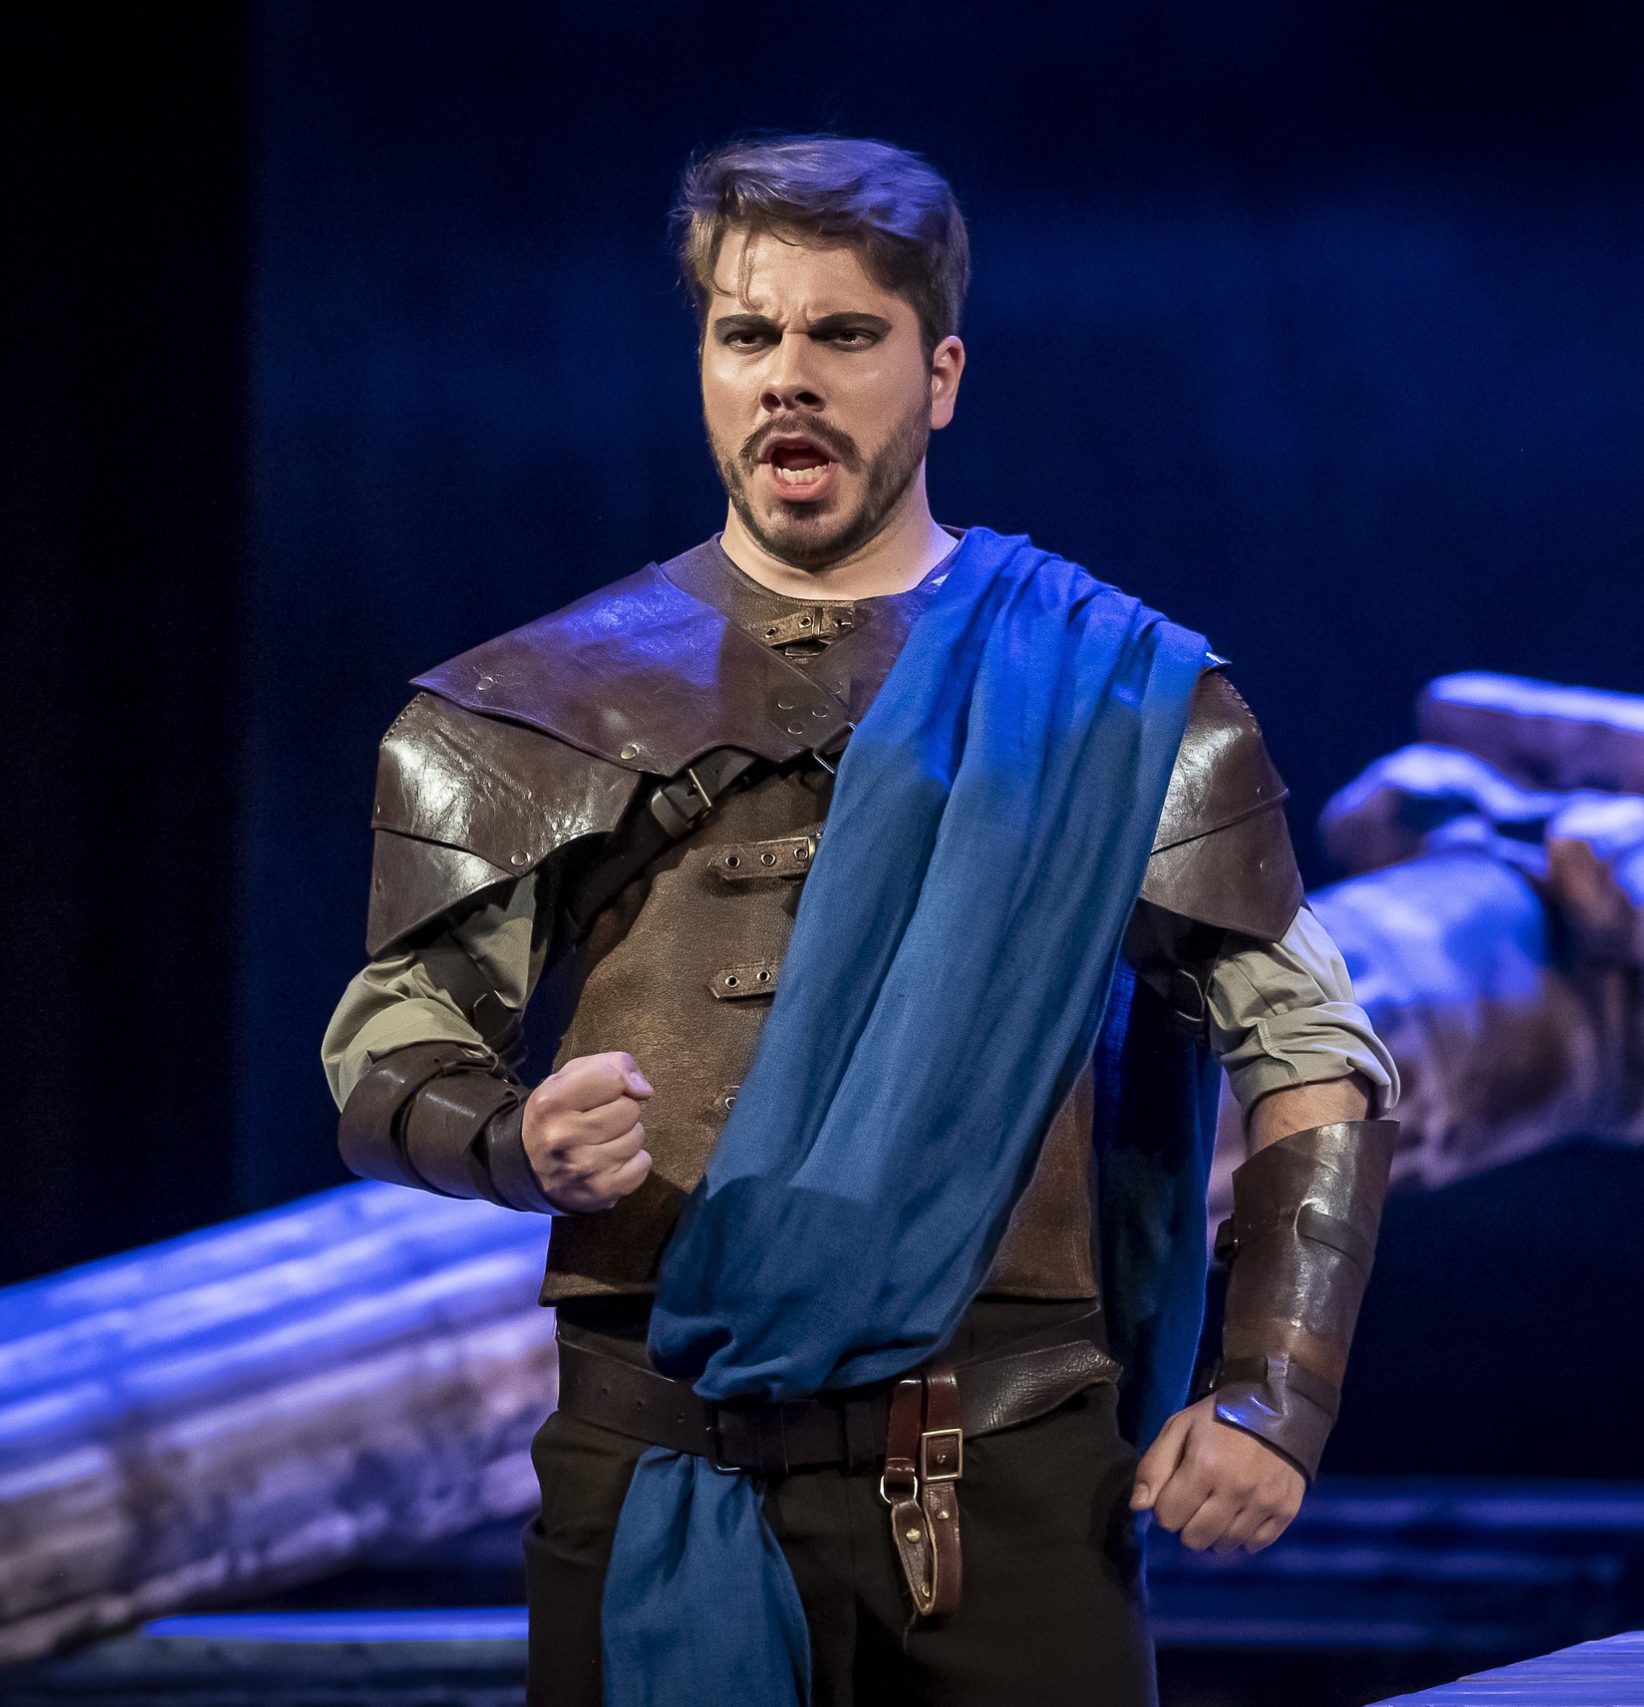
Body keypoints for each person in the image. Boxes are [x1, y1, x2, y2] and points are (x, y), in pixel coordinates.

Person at [321, 134, 1400, 1707]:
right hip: (653, 1460)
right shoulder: (531, 703)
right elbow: (387, 1045)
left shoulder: (1111, 693)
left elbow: (1313, 1053)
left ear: (939, 374)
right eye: (746, 334)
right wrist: (510, 1138)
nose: (789, 378)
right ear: (705, 363)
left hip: (1009, 1480)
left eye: (844, 334)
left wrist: (1270, 1396)